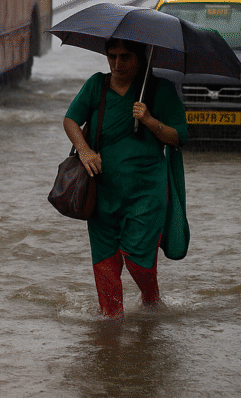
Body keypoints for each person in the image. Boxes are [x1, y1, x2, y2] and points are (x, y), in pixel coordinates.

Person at [63, 38, 188, 319]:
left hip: (146, 193)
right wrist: (84, 150)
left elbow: (179, 136)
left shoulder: (159, 90)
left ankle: (151, 300)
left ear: (141, 58)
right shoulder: (97, 85)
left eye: (125, 57)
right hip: (102, 192)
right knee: (105, 265)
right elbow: (71, 119)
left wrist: (150, 121)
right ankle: (110, 334)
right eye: (112, 56)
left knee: (137, 259)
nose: (117, 64)